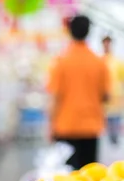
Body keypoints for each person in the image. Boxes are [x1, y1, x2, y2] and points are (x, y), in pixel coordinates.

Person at [47, 15, 110, 170]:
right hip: (91, 126)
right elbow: (105, 96)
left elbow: (55, 97)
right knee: (89, 178)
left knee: (67, 179)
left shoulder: (61, 62)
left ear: (69, 31)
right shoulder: (99, 63)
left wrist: (50, 126)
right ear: (88, 32)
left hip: (66, 126)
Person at [102, 35, 124, 145]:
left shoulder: (117, 62)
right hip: (104, 100)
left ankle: (114, 142)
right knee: (107, 127)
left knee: (115, 124)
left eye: (108, 43)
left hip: (116, 98)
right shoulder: (100, 61)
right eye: (105, 43)